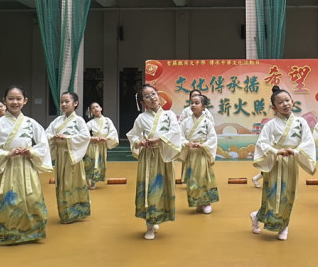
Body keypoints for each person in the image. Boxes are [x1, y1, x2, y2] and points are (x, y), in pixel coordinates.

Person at [0, 86, 52, 245]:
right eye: (11, 99)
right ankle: (9, 234)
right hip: (9, 167)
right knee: (10, 200)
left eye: (18, 99)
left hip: (27, 166)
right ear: (5, 101)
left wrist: (31, 151)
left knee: (32, 198)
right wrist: (6, 154)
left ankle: (32, 232)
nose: (15, 102)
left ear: (25, 101)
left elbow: (43, 143)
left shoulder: (30, 123)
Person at [250, 86, 317, 241]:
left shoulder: (301, 122)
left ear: (292, 102)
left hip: (291, 162)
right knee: (272, 195)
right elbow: (262, 143)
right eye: (280, 102)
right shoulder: (270, 125)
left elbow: (308, 141)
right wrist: (275, 151)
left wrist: (296, 151)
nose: (285, 104)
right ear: (274, 107)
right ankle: (257, 216)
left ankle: (284, 225)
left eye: (287, 100)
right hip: (275, 163)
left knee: (288, 195)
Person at [126, 84, 183, 240]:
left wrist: (158, 139)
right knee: (149, 189)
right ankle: (149, 224)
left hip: (163, 156)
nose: (152, 97)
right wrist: (139, 142)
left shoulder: (169, 115)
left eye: (153, 93)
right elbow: (133, 135)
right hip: (148, 157)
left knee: (161, 189)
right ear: (143, 102)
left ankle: (156, 217)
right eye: (147, 96)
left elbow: (175, 131)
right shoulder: (141, 118)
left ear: (158, 95)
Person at [46, 92, 92, 223]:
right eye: (62, 102)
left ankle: (78, 211)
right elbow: (46, 133)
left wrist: (67, 138)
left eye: (67, 101)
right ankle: (66, 213)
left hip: (73, 156)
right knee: (62, 184)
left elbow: (85, 136)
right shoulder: (57, 121)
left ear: (75, 103)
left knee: (74, 182)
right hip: (61, 156)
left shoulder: (79, 120)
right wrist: (53, 137)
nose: (63, 104)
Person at [178, 94, 219, 214]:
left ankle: (207, 202)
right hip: (191, 154)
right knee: (193, 179)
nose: (193, 105)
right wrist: (187, 143)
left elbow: (212, 138)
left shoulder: (207, 122)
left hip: (202, 154)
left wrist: (203, 145)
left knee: (203, 178)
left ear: (204, 106)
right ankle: (198, 202)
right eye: (191, 103)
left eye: (197, 103)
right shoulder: (185, 122)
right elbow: (180, 136)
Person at [85, 102, 119, 189]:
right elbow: (83, 133)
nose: (95, 109)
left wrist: (107, 138)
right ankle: (88, 180)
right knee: (91, 163)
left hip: (102, 145)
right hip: (93, 145)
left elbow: (113, 131)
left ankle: (94, 182)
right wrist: (91, 138)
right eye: (93, 108)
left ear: (101, 108)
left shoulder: (107, 120)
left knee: (99, 163)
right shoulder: (91, 122)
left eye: (97, 107)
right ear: (91, 111)